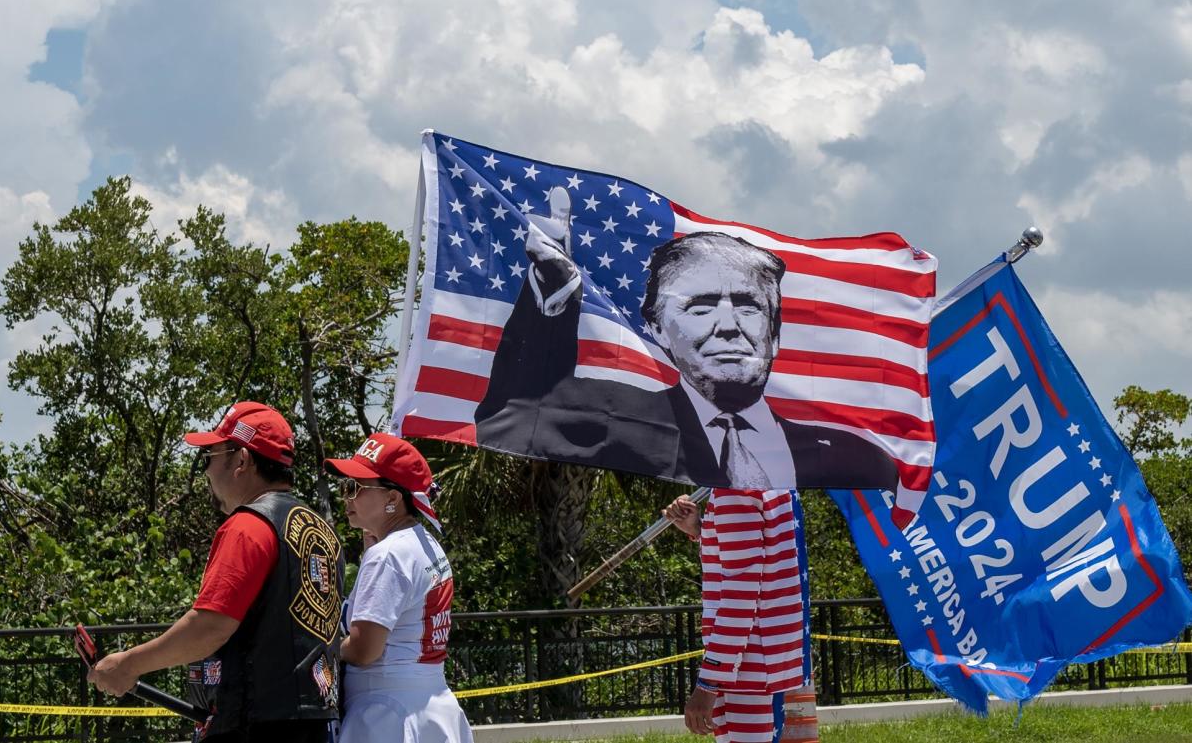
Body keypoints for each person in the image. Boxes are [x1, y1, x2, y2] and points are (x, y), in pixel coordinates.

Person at [474, 187, 897, 493]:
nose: (728, 326)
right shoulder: (623, 417)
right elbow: (516, 410)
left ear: (775, 332)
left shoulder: (856, 458)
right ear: (657, 328)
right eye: (700, 307)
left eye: (749, 306)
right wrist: (553, 289)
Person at [88, 401, 345, 743]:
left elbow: (209, 628)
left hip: (253, 725)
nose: (206, 471)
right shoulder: (323, 532)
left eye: (209, 456)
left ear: (241, 460)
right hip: (313, 723)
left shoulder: (248, 526)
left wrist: (128, 665)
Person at [325, 432, 473, 743]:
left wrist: (321, 645)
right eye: (345, 487)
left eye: (356, 487)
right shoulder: (427, 543)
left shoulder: (389, 554)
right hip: (431, 705)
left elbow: (365, 650)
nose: (346, 497)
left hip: (385, 715)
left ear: (393, 499)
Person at [664, 490, 815, 743]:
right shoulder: (777, 480)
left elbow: (740, 592)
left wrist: (709, 682)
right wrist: (700, 529)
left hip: (745, 662)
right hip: (775, 655)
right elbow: (756, 561)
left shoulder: (733, 491)